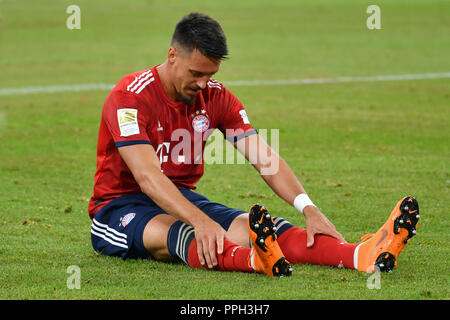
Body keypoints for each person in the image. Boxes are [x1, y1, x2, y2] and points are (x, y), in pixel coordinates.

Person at [88, 12, 419, 276]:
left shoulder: (216, 96)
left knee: (258, 228)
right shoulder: (130, 96)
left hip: (181, 196)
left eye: (210, 74)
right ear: (172, 55)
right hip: (121, 206)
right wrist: (201, 221)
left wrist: (309, 208)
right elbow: (147, 178)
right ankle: (252, 261)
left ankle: (361, 254)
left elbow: (265, 158)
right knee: (175, 233)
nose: (203, 84)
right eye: (196, 73)